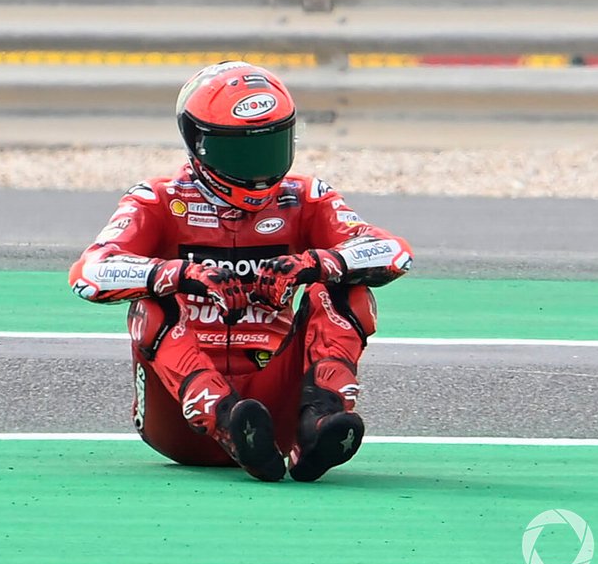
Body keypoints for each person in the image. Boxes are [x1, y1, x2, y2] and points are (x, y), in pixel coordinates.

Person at [68, 61, 413, 482]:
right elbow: (90, 272)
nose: (258, 170)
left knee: (346, 288)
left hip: (273, 411)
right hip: (181, 418)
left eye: (270, 148)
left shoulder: (306, 196)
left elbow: (394, 252)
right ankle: (221, 413)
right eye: (241, 153)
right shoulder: (158, 199)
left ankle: (320, 418)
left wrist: (315, 264)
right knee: (150, 300)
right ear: (199, 144)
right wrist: (179, 274)